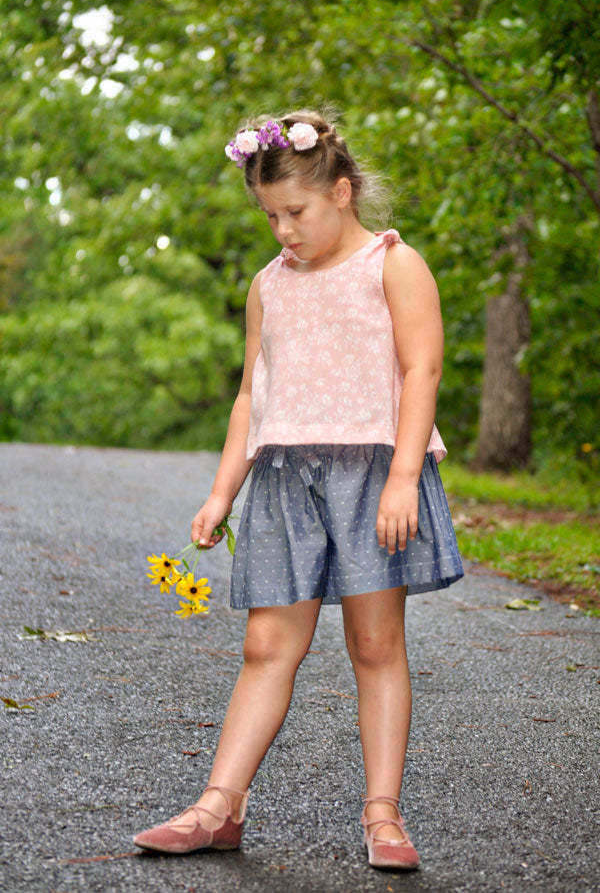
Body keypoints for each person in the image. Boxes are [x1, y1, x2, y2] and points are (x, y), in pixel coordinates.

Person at [133, 108, 464, 871]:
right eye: (270, 216)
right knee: (265, 643)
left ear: (342, 193)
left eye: (296, 213)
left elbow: (423, 371)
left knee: (375, 644)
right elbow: (252, 396)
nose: (283, 230)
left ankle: (383, 814)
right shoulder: (266, 287)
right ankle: (220, 804)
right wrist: (223, 492)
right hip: (284, 480)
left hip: (372, 475)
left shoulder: (392, 264)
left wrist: (405, 476)